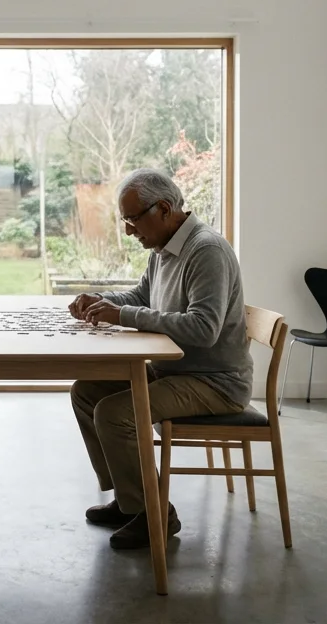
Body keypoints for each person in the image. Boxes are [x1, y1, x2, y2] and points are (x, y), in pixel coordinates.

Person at [69, 168, 253, 550]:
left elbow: (204, 328)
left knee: (116, 412)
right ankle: (129, 499)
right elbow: (141, 298)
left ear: (165, 209)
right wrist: (101, 302)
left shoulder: (207, 251)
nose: (129, 231)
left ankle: (155, 514)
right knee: (87, 392)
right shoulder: (163, 249)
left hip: (215, 383)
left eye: (133, 220)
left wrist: (122, 316)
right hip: (176, 371)